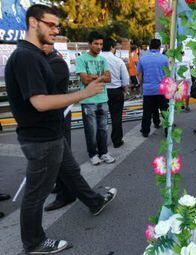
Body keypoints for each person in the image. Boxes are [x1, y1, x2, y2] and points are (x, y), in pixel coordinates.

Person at [5, 4, 117, 254]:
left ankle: (95, 201)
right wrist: (83, 93)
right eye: (51, 24)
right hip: (40, 138)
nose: (56, 30)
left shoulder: (36, 55)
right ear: (33, 22)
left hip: (51, 135)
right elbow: (40, 101)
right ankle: (34, 242)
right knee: (37, 193)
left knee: (71, 172)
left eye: (58, 25)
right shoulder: (26, 57)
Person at [42, 44, 76, 212]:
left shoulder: (56, 63)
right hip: (53, 115)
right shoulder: (46, 60)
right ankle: (61, 185)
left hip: (60, 114)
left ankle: (66, 193)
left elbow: (43, 87)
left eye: (44, 44)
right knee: (57, 154)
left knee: (61, 154)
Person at [76, 31, 115, 165]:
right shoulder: (81, 59)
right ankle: (93, 154)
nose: (99, 47)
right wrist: (100, 77)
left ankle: (103, 153)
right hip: (88, 100)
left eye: (101, 44)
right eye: (96, 44)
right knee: (91, 131)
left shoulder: (103, 59)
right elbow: (85, 80)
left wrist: (93, 76)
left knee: (103, 129)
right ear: (89, 44)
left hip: (103, 99)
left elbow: (109, 78)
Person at [101, 38, 130, 148]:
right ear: (112, 47)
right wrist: (125, 91)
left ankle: (100, 144)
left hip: (100, 91)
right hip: (116, 91)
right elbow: (125, 79)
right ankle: (117, 141)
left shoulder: (98, 59)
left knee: (100, 119)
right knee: (116, 117)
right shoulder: (118, 61)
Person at [137, 39, 169, 137]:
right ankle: (167, 131)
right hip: (162, 89)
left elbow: (139, 74)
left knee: (147, 112)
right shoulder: (164, 58)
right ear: (159, 47)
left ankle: (145, 131)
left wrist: (142, 85)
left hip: (148, 89)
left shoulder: (142, 58)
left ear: (150, 47)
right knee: (164, 111)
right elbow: (168, 73)